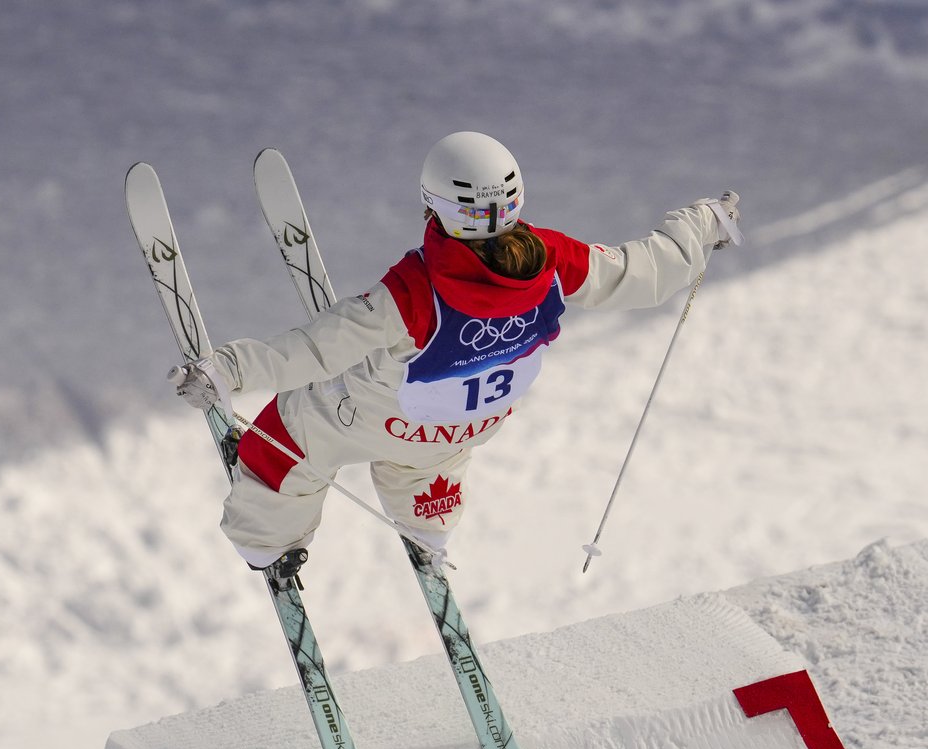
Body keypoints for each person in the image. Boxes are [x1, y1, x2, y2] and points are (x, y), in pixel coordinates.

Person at [172, 131, 741, 586]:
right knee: (427, 458)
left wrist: (227, 371)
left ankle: (266, 542)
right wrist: (701, 226)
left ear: (435, 205)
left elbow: (316, 349)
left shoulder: (416, 289)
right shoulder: (552, 261)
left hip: (375, 421)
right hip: (458, 432)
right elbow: (642, 272)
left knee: (293, 425)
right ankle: (429, 522)